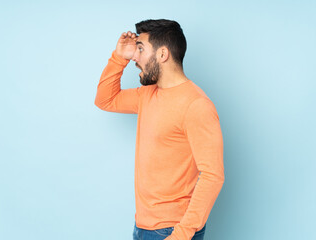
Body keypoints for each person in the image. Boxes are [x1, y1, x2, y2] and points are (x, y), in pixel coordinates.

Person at [95, 19, 224, 240]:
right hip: (143, 226)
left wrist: (181, 234)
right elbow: (105, 100)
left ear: (163, 54)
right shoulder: (148, 95)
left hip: (172, 231)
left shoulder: (196, 105)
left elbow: (213, 175)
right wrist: (119, 58)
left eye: (141, 49)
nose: (135, 57)